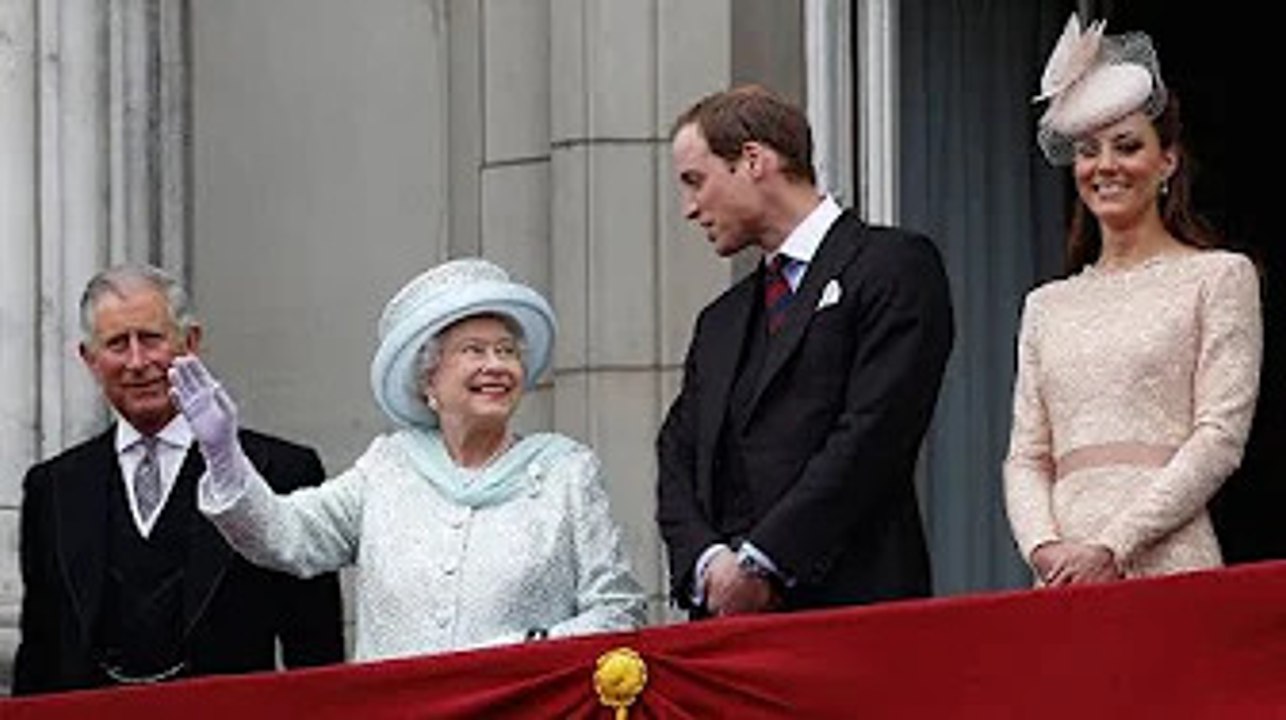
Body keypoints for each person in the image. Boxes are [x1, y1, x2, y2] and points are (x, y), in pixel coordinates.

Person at [168, 258, 646, 661]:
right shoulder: (387, 468)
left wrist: (528, 648)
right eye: (473, 351)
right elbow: (286, 537)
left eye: (506, 351)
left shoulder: (566, 471)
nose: (496, 366)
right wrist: (223, 454)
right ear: (428, 379)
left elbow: (619, 610)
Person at [656, 85, 955, 617]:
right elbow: (678, 457)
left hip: (856, 619)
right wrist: (711, 568)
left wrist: (763, 561)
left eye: (695, 182)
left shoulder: (892, 266)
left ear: (753, 160)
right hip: (726, 636)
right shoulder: (720, 322)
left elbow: (874, 432)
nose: (689, 208)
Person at [1004, 15, 1263, 585]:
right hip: (1064, 577)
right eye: (1089, 151)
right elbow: (1026, 455)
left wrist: (1113, 545)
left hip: (1169, 561)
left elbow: (1220, 437)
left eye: (1126, 146)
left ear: (1166, 161)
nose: (1106, 166)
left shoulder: (1218, 277)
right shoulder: (1046, 305)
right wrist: (1045, 548)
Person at [13, 264, 344, 695]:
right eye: (116, 344)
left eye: (152, 339)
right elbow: (40, 652)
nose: (137, 362)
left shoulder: (280, 470)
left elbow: (316, 654)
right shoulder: (53, 488)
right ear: (90, 360)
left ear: (190, 343)